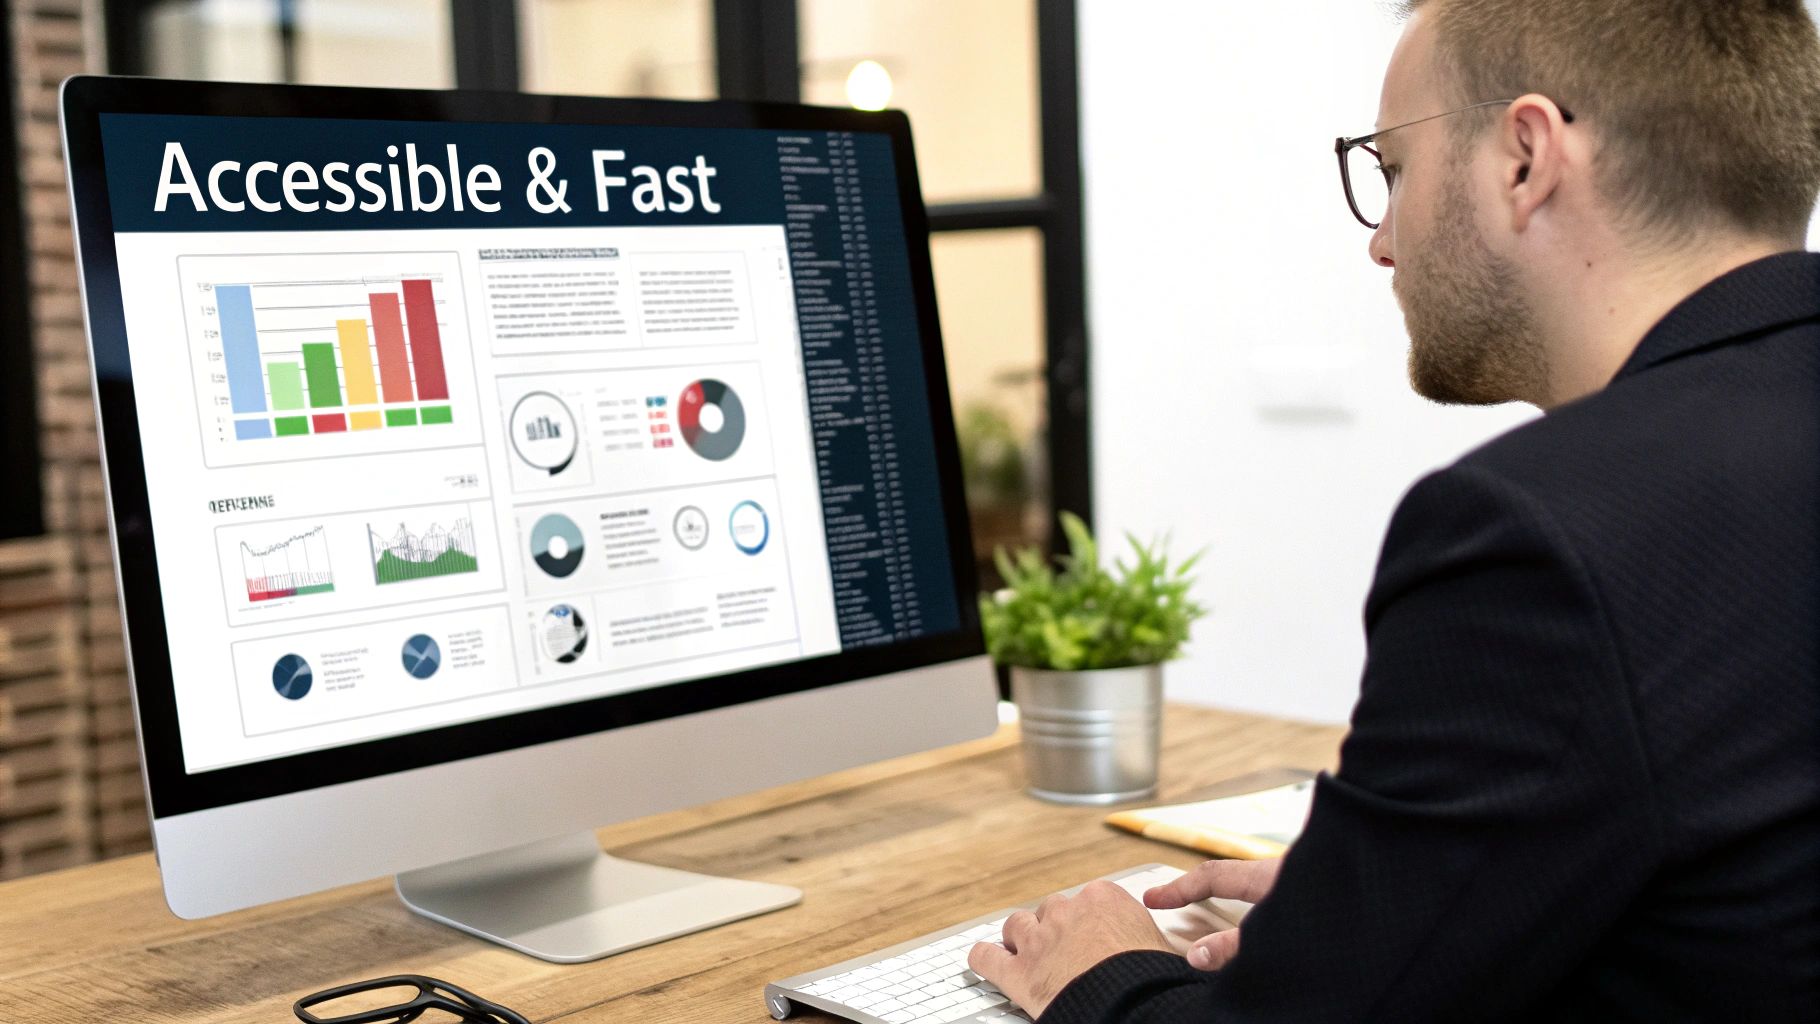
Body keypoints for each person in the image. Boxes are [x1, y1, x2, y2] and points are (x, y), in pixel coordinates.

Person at [969, 0, 1820, 1019]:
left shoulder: (1531, 534)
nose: (1380, 243)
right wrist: (1389, 904)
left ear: (1523, 156)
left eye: (1390, 172)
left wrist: (1098, 970)